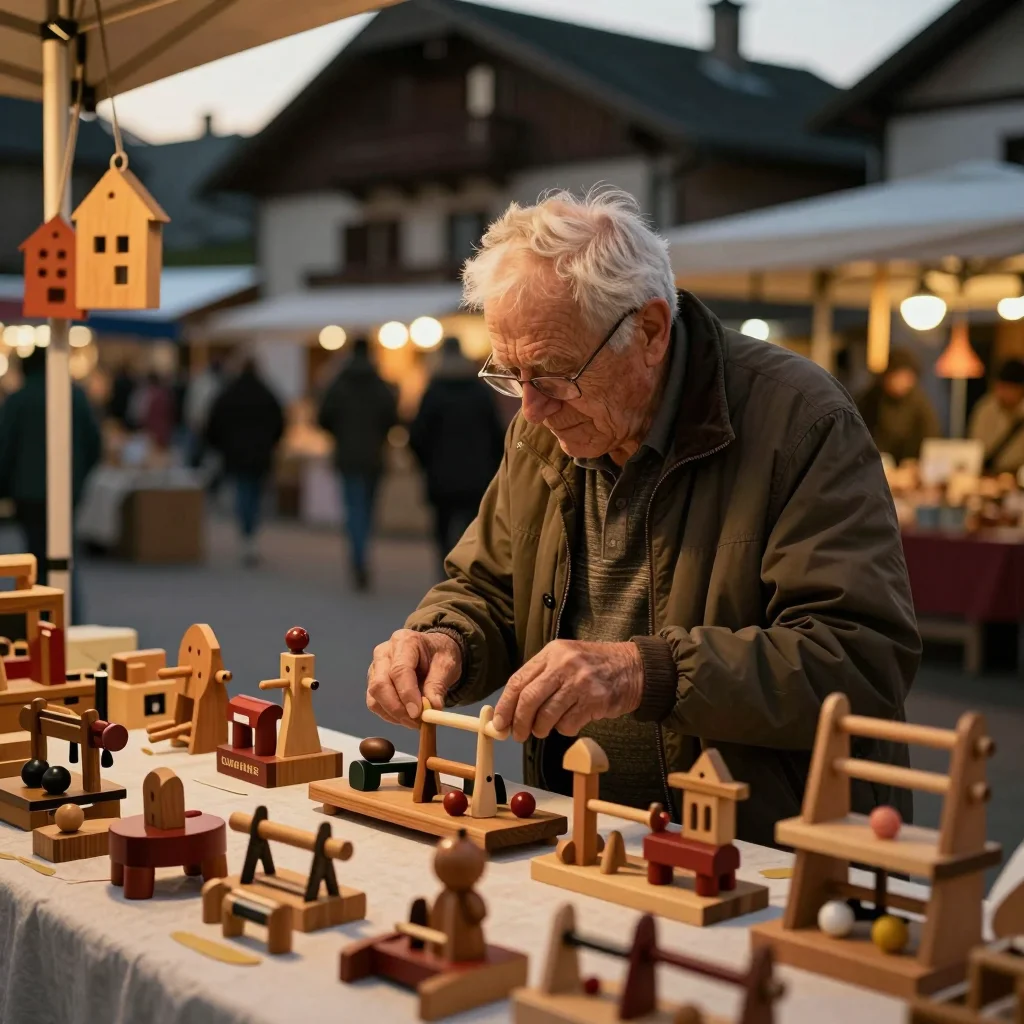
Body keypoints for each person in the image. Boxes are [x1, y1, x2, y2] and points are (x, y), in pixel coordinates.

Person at [364, 188, 920, 846]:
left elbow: (858, 659)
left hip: (766, 850)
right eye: (510, 374)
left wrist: (642, 672)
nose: (530, 408)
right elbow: (487, 587)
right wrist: (444, 638)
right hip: (583, 836)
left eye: (552, 372)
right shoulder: (542, 430)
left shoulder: (801, 420)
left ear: (650, 332)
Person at [0, 347, 101, 622]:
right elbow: (94, 443)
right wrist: (78, 479)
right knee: (64, 557)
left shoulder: (18, 400)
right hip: (67, 491)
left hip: (28, 492)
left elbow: (4, 448)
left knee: (34, 560)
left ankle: (37, 622)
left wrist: (5, 488)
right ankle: (69, 620)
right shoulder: (76, 396)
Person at [410, 337, 505, 579]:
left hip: (440, 476)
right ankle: (466, 576)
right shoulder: (481, 392)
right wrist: (492, 465)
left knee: (442, 529)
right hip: (477, 474)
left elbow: (417, 435)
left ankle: (445, 576)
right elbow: (497, 433)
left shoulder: (433, 392)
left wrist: (426, 464)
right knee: (472, 529)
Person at [318, 338, 398, 590]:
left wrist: (339, 433)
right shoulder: (379, 383)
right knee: (367, 508)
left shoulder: (339, 382)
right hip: (374, 456)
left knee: (354, 509)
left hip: (348, 456)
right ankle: (362, 556)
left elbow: (323, 417)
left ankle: (358, 558)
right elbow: (393, 417)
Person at [205, 357, 284, 566]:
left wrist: (219, 446)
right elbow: (280, 422)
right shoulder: (267, 393)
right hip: (260, 453)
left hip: (236, 453)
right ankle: (251, 534)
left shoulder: (229, 393)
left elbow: (213, 423)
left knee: (243, 492)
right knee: (254, 494)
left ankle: (246, 535)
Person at [856, 348, 941, 463]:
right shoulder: (870, 400)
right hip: (874, 466)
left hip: (911, 470)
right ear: (886, 376)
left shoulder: (919, 402)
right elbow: (860, 439)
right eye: (898, 376)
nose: (903, 382)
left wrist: (915, 463)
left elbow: (931, 437)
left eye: (907, 377)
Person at [969, 358, 1024, 475]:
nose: (1003, 393)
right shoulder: (986, 409)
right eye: (1000, 387)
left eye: (1010, 389)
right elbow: (976, 446)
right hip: (989, 474)